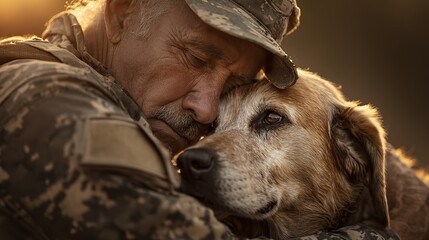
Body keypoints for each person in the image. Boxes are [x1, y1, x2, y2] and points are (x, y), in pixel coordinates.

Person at [0, 0, 401, 239]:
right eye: (195, 58)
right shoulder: (48, 100)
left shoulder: (146, 115)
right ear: (123, 12)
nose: (207, 111)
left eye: (234, 84)